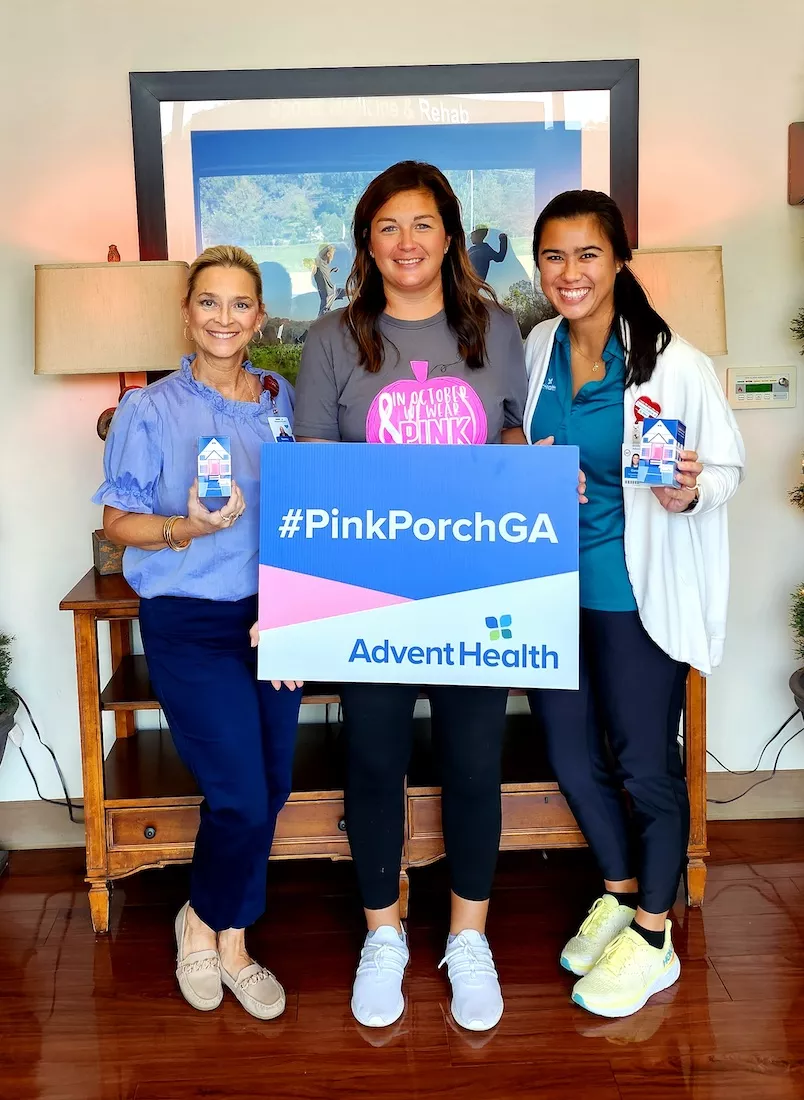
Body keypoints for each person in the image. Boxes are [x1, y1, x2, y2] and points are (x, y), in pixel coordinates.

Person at [293, 161, 528, 1032]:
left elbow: (511, 428)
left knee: (474, 762)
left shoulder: (496, 328)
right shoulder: (331, 339)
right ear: (367, 243)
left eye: (422, 224)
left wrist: (528, 471)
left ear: (450, 235)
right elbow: (313, 473)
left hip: (477, 585)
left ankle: (469, 937)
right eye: (387, 227)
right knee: (373, 763)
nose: (406, 243)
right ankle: (382, 933)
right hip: (371, 594)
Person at [523, 190, 744, 1019]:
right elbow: (515, 434)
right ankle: (618, 893)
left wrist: (688, 496)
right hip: (545, 588)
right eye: (553, 255)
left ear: (618, 260)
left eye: (587, 254)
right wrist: (530, 457)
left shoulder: (669, 360)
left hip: (632, 592)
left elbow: (724, 471)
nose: (569, 272)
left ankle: (654, 938)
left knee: (643, 763)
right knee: (570, 755)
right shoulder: (539, 345)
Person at [93, 245, 303, 1019]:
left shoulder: (280, 400)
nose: (224, 317)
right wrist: (186, 525)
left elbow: (311, 508)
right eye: (208, 302)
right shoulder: (149, 410)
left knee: (270, 788)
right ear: (187, 313)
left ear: (258, 316)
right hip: (190, 621)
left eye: (239, 303)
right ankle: (217, 933)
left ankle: (212, 921)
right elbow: (116, 521)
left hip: (273, 615)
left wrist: (295, 606)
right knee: (239, 793)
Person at [313, 244, 343, 316]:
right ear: (328, 254)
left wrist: (332, 270)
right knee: (323, 314)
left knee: (353, 291)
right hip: (328, 295)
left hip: (333, 292)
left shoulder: (325, 265)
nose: (332, 258)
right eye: (332, 255)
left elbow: (325, 271)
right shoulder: (318, 263)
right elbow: (315, 269)